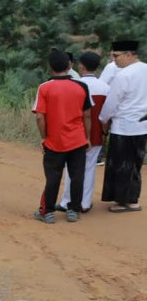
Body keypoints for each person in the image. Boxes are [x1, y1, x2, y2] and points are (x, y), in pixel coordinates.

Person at [32, 50, 92, 224]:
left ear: (50, 67)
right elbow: (87, 114)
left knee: (53, 177)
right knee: (77, 176)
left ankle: (48, 212)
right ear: (69, 66)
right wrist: (87, 137)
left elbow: (39, 116)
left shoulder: (44, 87)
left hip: (54, 141)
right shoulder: (82, 86)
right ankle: (73, 210)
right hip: (78, 139)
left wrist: (44, 137)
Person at [57, 52, 110, 213]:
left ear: (81, 66)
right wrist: (104, 132)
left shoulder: (76, 85)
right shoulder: (106, 87)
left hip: (75, 134)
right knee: (89, 168)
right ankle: (85, 203)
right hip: (96, 134)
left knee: (72, 169)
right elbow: (106, 115)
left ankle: (67, 202)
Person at [99, 40, 147, 213]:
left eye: (116, 56)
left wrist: (103, 119)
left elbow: (112, 102)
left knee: (120, 164)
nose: (114, 60)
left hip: (124, 126)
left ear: (129, 54)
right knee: (135, 163)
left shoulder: (123, 75)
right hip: (142, 125)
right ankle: (133, 200)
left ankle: (121, 201)